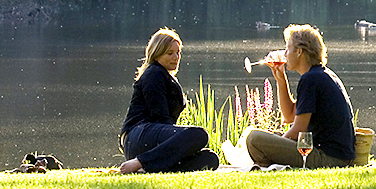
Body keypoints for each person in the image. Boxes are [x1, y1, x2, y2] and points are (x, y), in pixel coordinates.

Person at [244, 24, 355, 168]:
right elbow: (290, 116)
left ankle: (267, 164)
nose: (284, 54)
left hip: (329, 158)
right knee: (270, 136)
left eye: (287, 49)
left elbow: (298, 130)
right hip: (332, 154)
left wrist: (278, 147)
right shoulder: (320, 75)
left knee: (254, 139)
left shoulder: (311, 79)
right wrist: (281, 80)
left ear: (299, 52)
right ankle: (269, 164)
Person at [117, 28, 220, 173]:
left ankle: (152, 168)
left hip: (154, 139)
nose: (176, 57)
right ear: (157, 54)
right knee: (200, 135)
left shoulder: (166, 76)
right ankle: (140, 162)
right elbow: (160, 116)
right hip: (139, 136)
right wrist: (179, 140)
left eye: (178, 53)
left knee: (210, 159)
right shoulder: (154, 73)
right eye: (170, 53)